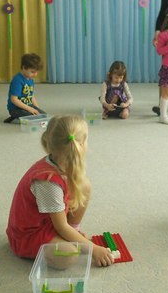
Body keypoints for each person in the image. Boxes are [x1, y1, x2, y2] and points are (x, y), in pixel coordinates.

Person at [6, 114, 114, 267]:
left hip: (51, 221)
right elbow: (61, 226)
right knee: (68, 255)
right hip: (30, 234)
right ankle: (68, 238)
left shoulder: (60, 161)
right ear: (81, 145)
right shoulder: (47, 182)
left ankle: (72, 232)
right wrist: (93, 249)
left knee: (84, 185)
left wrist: (72, 232)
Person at [4, 53, 46, 123]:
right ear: (24, 68)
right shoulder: (17, 80)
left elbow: (31, 96)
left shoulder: (30, 79)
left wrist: (37, 108)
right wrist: (30, 109)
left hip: (27, 106)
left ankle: (24, 115)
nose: (35, 75)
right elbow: (14, 99)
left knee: (44, 115)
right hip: (16, 109)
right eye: (32, 72)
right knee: (35, 117)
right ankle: (15, 116)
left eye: (36, 72)